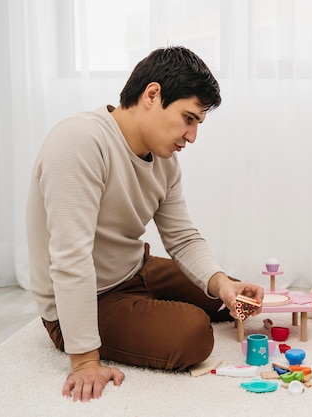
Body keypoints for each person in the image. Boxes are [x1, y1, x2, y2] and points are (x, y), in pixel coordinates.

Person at [26, 46, 264, 402]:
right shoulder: (79, 142)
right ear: (152, 94)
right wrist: (85, 361)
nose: (192, 136)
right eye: (188, 118)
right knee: (193, 334)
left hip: (134, 268)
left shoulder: (165, 161)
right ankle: (95, 333)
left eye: (197, 123)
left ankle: (206, 291)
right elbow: (70, 258)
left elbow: (182, 238)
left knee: (225, 292)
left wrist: (220, 284)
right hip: (86, 297)